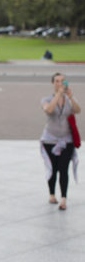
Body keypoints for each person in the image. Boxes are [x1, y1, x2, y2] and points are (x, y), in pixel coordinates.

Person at [40, 73, 81, 211]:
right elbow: (49, 110)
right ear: (53, 83)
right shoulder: (46, 99)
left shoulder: (69, 100)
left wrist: (70, 96)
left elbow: (78, 110)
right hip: (49, 140)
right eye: (57, 81)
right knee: (53, 169)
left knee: (64, 169)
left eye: (63, 81)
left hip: (66, 140)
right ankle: (52, 194)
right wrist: (58, 95)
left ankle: (63, 199)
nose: (60, 83)